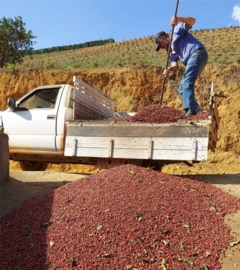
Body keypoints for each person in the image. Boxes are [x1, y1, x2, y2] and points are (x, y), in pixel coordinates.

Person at [155, 16, 208, 117]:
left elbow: (193, 21)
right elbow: (175, 66)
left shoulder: (176, 32)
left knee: (187, 82)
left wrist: (179, 19)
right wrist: (169, 69)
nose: (161, 47)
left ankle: (191, 110)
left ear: (163, 38)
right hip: (191, 61)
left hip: (197, 53)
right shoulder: (169, 53)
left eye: (160, 45)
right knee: (181, 88)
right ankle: (195, 109)